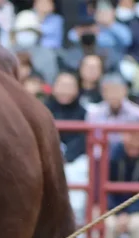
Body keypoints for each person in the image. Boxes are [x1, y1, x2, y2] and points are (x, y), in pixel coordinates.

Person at [47, 72, 91, 223]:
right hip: (49, 158)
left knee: (80, 171)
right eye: (62, 86)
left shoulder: (84, 112)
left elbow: (83, 139)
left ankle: (76, 227)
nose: (65, 90)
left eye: (69, 86)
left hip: (75, 160)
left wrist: (67, 156)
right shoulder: (42, 109)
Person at [86, 72, 139, 148]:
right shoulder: (94, 114)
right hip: (101, 156)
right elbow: (92, 143)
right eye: (109, 91)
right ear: (102, 93)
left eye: (117, 90)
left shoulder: (138, 114)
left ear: (125, 90)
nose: (113, 95)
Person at [12, 10, 59, 82]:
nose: (26, 34)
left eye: (30, 31)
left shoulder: (47, 54)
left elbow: (50, 80)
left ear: (38, 34)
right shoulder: (7, 52)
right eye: (22, 31)